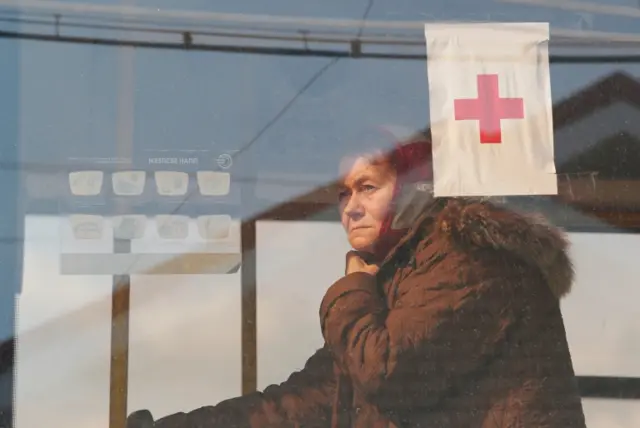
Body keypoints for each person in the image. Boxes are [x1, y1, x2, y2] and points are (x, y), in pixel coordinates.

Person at [127, 128, 587, 427]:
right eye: (344, 193)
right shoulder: (402, 280)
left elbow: (389, 372)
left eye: (368, 187)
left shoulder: (466, 257)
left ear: (411, 191)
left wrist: (352, 287)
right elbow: (305, 401)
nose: (350, 206)